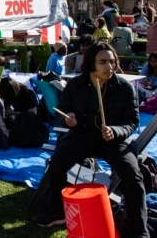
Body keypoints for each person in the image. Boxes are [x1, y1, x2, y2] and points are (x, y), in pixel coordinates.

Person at [31, 42, 148, 237]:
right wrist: (68, 119)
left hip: (111, 139)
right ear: (91, 64)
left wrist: (115, 131)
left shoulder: (124, 87)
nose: (109, 67)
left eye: (112, 62)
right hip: (81, 135)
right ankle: (58, 212)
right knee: (57, 166)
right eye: (103, 62)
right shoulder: (76, 84)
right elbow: (60, 113)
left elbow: (132, 121)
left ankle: (140, 231)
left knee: (134, 177)